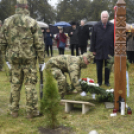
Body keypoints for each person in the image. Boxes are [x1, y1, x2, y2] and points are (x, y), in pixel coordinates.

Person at [0, 0, 44, 119]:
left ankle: (14, 111)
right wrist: (41, 61)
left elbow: (2, 42)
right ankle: (31, 112)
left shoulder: (7, 21)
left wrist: (6, 59)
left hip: (14, 59)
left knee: (15, 84)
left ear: (16, 7)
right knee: (30, 85)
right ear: (26, 7)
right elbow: (39, 43)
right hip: (29, 59)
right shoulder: (32, 22)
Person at [90, 11, 114, 87]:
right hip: (99, 50)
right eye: (103, 17)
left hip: (109, 50)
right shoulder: (95, 26)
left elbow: (114, 38)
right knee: (99, 67)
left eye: (106, 17)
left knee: (108, 68)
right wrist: (93, 49)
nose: (105, 18)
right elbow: (92, 38)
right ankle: (99, 82)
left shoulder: (112, 26)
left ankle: (107, 81)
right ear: (101, 17)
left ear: (108, 18)